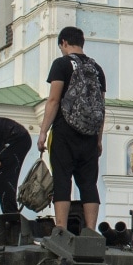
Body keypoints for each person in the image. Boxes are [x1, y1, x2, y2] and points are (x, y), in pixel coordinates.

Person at [35, 27, 104, 233]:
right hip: (90, 136)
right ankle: (91, 230)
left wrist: (43, 131)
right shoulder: (96, 68)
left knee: (62, 180)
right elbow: (101, 107)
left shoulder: (62, 64)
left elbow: (54, 99)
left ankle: (61, 229)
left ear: (64, 43)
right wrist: (98, 140)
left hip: (65, 131)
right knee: (89, 184)